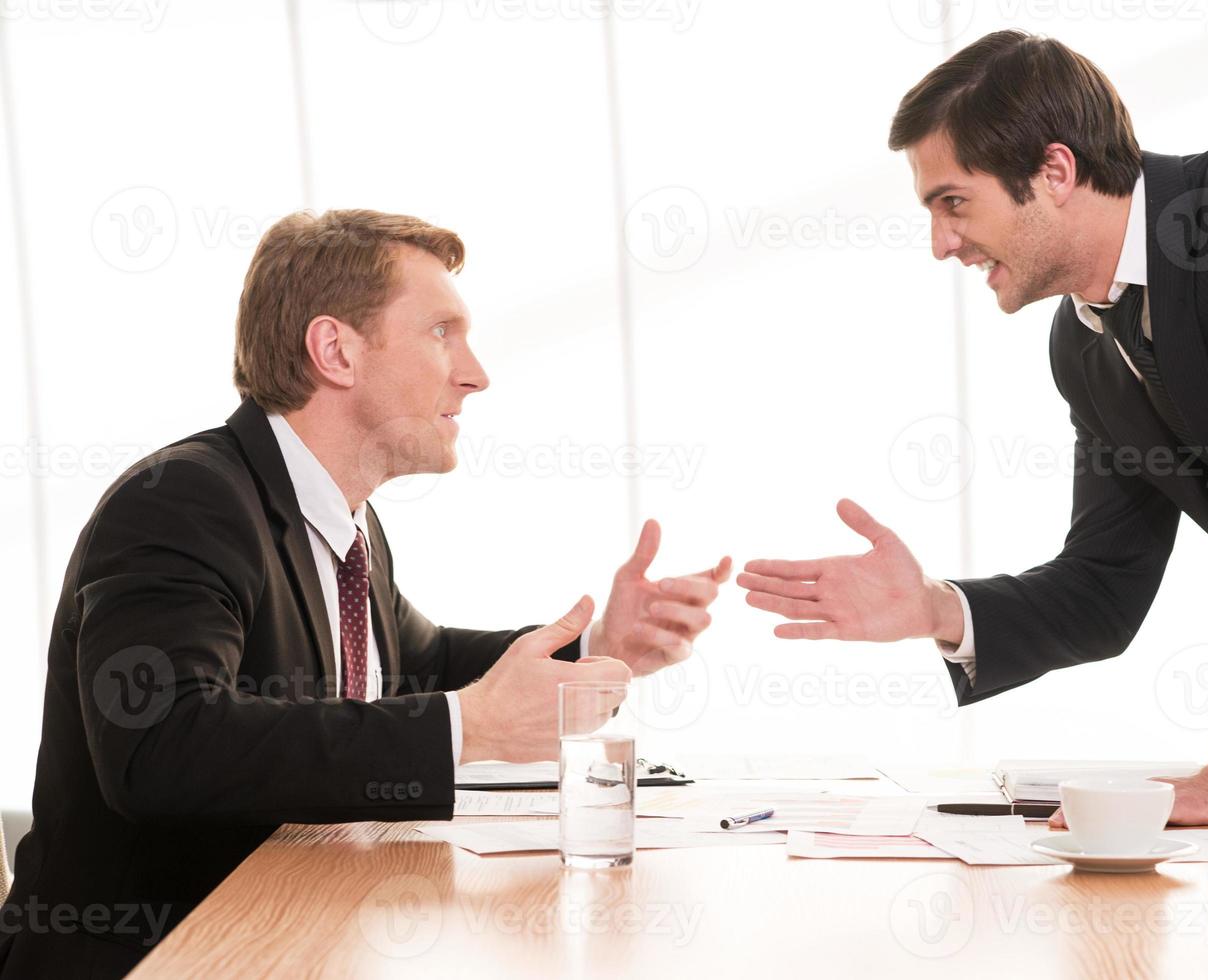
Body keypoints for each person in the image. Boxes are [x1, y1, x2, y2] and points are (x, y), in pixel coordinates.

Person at [740, 30, 1208, 947]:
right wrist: (935, 607)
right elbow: (1104, 585)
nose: (939, 243)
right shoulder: (1085, 347)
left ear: (1052, 170)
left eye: (952, 202)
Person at [0, 209, 730, 977]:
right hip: (159, 959)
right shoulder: (183, 501)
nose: (475, 372)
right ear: (335, 351)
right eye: (441, 332)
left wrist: (596, 648)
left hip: (299, 940)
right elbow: (161, 746)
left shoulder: (346, 522)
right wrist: (467, 728)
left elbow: (418, 661)